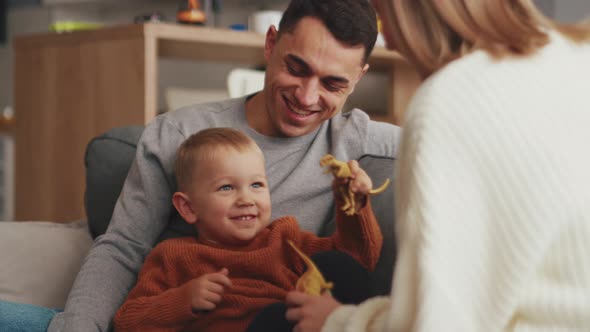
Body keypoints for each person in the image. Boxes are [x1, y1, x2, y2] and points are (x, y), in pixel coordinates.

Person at [48, 0, 401, 330]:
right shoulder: (178, 133)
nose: (307, 97)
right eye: (296, 68)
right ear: (270, 44)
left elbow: (357, 255)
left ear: (358, 78)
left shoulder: (355, 140)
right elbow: (123, 250)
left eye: (333, 83)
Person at [285, 0, 590, 331]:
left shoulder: (452, 100)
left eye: (383, 14)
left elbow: (440, 321)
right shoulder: (575, 58)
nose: (389, 42)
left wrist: (338, 322)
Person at [113, 127, 383, 331]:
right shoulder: (174, 256)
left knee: (339, 264)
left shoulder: (285, 238)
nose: (246, 199)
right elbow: (127, 321)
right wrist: (183, 300)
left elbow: (359, 257)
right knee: (274, 317)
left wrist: (353, 204)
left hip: (294, 322)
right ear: (188, 208)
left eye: (256, 185)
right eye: (226, 188)